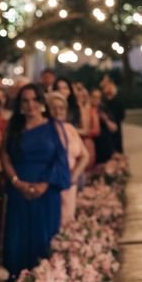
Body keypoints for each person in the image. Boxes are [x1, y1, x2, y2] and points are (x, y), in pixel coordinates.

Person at [1, 84, 71, 277]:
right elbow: (5, 156)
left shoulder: (54, 127)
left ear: (41, 102)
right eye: (25, 100)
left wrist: (45, 184)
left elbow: (60, 159)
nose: (30, 105)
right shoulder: (13, 126)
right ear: (20, 104)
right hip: (19, 191)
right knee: (18, 239)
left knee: (44, 239)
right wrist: (17, 182)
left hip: (46, 192)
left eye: (34, 100)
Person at [46, 92, 90, 222]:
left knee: (67, 218)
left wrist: (74, 175)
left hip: (69, 181)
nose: (58, 111)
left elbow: (85, 155)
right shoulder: (43, 129)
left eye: (61, 108)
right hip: (50, 182)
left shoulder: (70, 128)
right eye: (53, 107)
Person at [73, 82, 99, 168]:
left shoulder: (85, 108)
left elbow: (87, 131)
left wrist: (67, 129)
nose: (76, 92)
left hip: (84, 145)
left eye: (79, 89)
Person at [90, 88, 115, 164]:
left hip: (105, 145)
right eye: (94, 97)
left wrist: (106, 120)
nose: (96, 100)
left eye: (98, 98)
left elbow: (114, 128)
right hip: (93, 145)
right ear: (90, 97)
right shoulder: (86, 110)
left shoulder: (104, 109)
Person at [101, 78, 125, 153]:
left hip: (116, 125)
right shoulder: (102, 99)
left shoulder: (117, 99)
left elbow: (122, 114)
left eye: (109, 86)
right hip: (105, 128)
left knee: (117, 146)